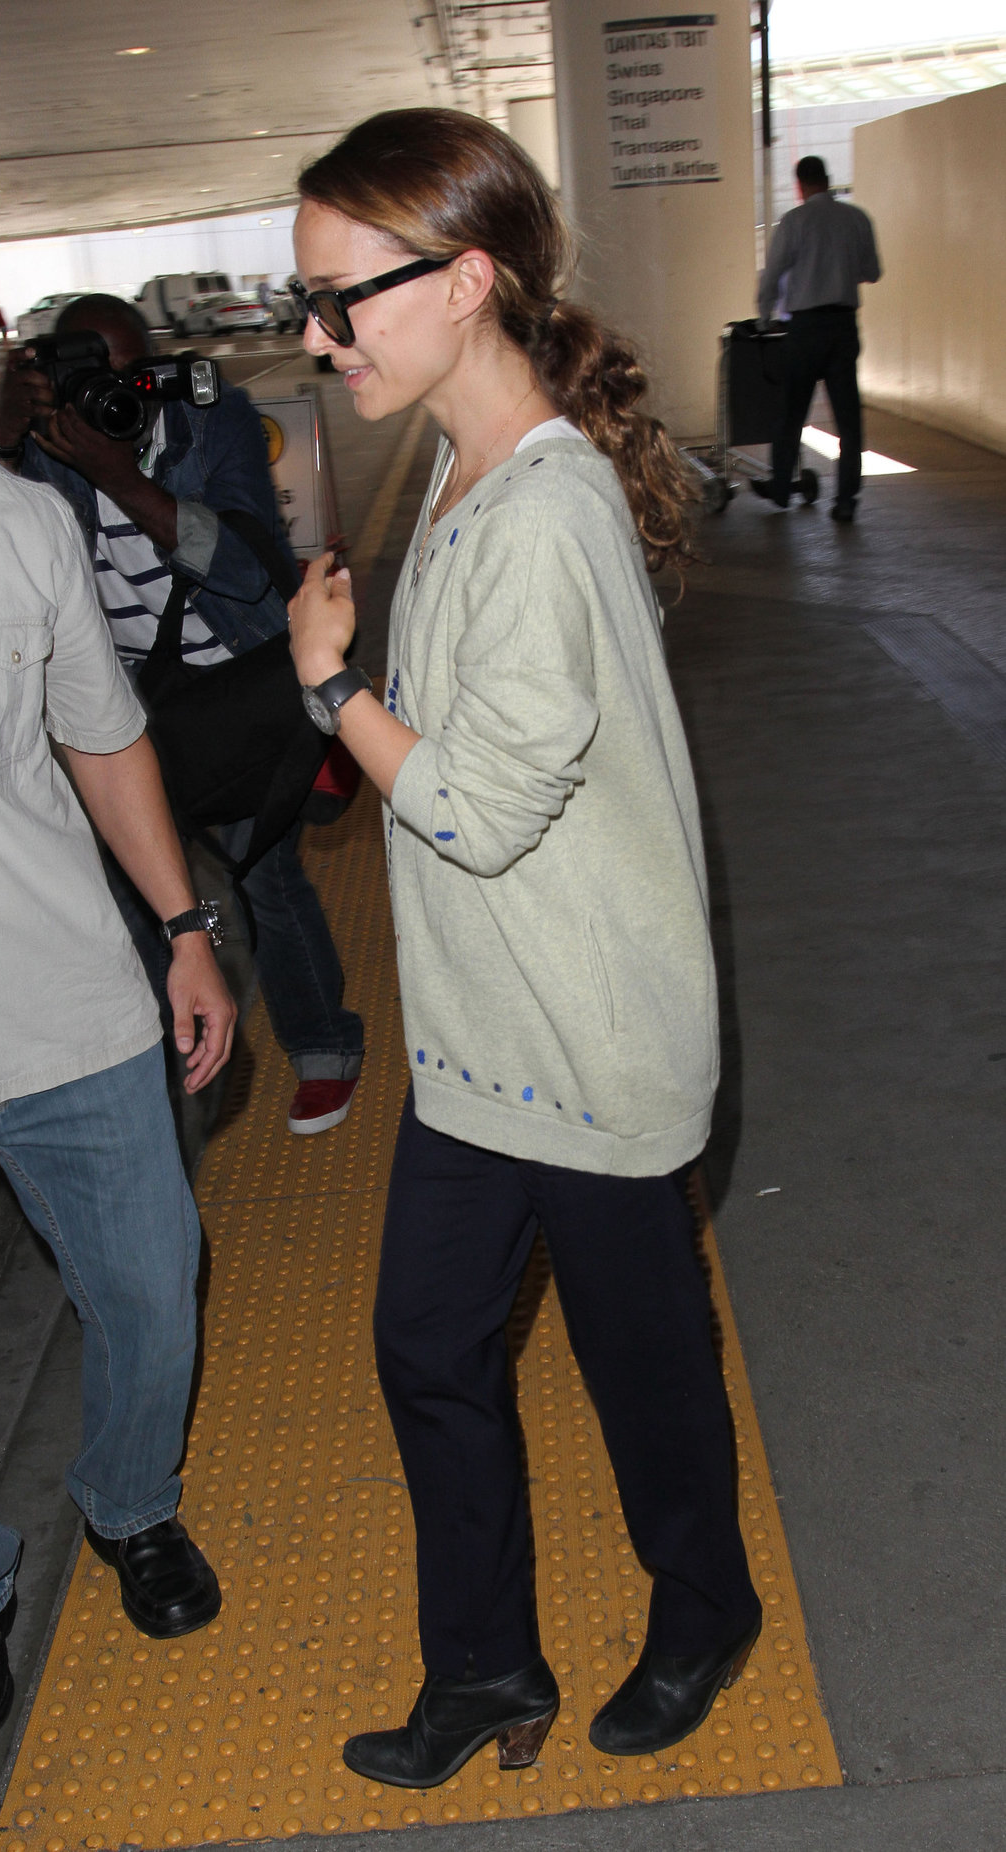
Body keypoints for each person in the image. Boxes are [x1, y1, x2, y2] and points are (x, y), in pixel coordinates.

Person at [285, 107, 763, 1788]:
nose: (315, 334)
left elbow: (478, 807)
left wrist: (329, 683)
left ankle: (702, 1612)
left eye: (341, 298)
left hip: (593, 1036)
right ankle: (485, 1665)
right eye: (310, 301)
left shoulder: (543, 513)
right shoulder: (455, 456)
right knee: (427, 1345)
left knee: (644, 1380)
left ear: (465, 277)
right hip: (491, 1033)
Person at [0, 444, 238, 1742]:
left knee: (150, 1277)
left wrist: (187, 932)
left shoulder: (19, 522)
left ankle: (130, 1504)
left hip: (58, 990)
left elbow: (104, 735)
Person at [0, 294, 364, 1136]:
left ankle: (323, 1045)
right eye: (93, 377)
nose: (121, 394)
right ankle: (172, 1053)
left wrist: (119, 474)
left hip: (234, 683)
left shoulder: (211, 418)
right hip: (124, 706)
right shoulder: (42, 446)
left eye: (135, 374)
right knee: (141, 893)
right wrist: (9, 435)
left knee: (262, 872)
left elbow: (243, 567)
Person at [754, 154, 881, 523]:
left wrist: (765, 319)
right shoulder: (857, 218)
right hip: (842, 328)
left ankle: (780, 489)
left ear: (800, 185)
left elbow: (772, 275)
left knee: (791, 413)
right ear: (828, 179)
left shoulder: (794, 222)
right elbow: (872, 272)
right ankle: (845, 500)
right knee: (848, 419)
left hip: (805, 330)